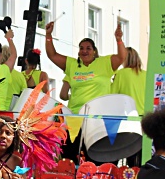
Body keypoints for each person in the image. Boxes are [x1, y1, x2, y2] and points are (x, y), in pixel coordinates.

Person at [45, 21, 127, 160]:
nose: (84, 51)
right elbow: (52, 55)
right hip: (75, 117)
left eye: (88, 48)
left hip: (98, 119)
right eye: (81, 48)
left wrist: (119, 40)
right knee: (69, 155)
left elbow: (121, 57)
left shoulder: (105, 63)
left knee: (94, 157)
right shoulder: (72, 65)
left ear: (94, 51)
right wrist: (48, 35)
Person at [111, 47, 146, 115]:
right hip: (144, 115)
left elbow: (112, 94)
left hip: (128, 114)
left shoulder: (121, 73)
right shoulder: (146, 74)